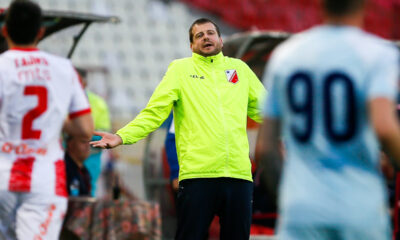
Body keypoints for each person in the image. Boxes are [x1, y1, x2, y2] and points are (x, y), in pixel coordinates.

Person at [91, 18, 266, 240]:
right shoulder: (180, 70)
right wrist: (121, 136)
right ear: (191, 46)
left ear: (220, 39)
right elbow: (154, 113)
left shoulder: (240, 69)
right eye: (199, 35)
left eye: (210, 33)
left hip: (239, 177)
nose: (206, 37)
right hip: (198, 176)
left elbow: (268, 112)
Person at [256, 0, 400, 239]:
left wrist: (291, 198)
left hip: (302, 208)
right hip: (359, 207)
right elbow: (384, 127)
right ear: (364, 5)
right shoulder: (377, 54)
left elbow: (265, 149)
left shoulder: (286, 55)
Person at [0, 1, 93, 239]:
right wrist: (56, 120)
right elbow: (85, 129)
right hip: (44, 179)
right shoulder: (63, 68)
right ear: (41, 32)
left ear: (4, 31)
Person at [76, 67, 111, 197]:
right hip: (66, 157)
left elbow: (103, 135)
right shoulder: (61, 99)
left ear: (84, 82)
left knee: (87, 192)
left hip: (90, 156)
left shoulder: (97, 103)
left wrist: (78, 136)